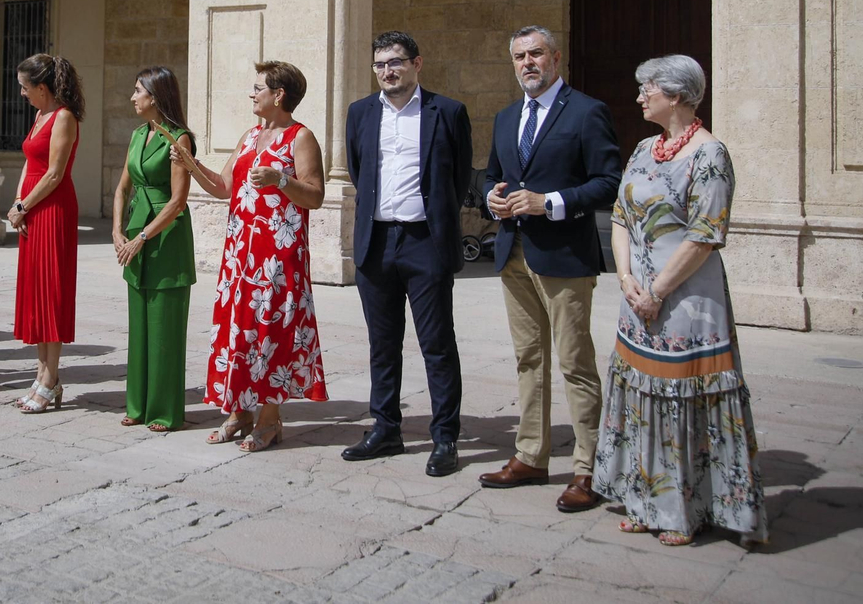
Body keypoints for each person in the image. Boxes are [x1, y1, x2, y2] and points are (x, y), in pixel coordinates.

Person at [593, 55, 766, 547]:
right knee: (643, 396)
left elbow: (705, 235)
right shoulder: (644, 148)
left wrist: (657, 291)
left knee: (682, 399)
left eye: (647, 88)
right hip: (638, 297)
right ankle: (644, 499)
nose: (639, 96)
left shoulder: (710, 155)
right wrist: (626, 277)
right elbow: (621, 215)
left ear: (675, 95)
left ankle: (682, 510)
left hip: (686, 301)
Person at [480, 26, 621, 512]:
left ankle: (589, 468)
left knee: (574, 362)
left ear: (555, 58)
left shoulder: (586, 111)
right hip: (513, 252)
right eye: (520, 56)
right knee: (529, 359)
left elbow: (609, 181)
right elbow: (493, 176)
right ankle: (530, 456)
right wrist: (492, 199)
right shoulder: (506, 117)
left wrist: (551, 202)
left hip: (563, 256)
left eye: (536, 54)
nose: (528, 63)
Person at [174, 60, 327, 453]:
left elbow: (315, 196)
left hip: (277, 255)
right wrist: (190, 164)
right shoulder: (249, 136)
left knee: (271, 331)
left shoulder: (300, 137)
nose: (251, 94)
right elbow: (224, 187)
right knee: (239, 328)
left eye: (258, 88)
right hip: (240, 254)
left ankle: (269, 419)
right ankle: (239, 411)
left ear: (279, 95)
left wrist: (281, 179)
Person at [342, 31, 473, 477]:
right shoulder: (360, 112)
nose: (387, 71)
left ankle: (445, 437)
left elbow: (457, 178)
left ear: (417, 64)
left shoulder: (448, 111)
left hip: (425, 242)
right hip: (376, 242)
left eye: (395, 62)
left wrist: (434, 222)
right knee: (382, 344)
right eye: (380, 64)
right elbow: (359, 171)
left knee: (437, 343)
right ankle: (386, 428)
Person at [110, 67, 195, 432]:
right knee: (139, 326)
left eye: (138, 91)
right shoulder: (137, 135)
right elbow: (122, 188)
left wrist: (142, 237)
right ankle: (138, 405)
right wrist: (117, 230)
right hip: (135, 235)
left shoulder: (179, 138)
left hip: (166, 238)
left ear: (155, 97)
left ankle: (164, 411)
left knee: (164, 328)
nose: (133, 97)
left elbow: (177, 201)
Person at [6, 53, 84, 414]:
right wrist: (18, 202)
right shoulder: (39, 115)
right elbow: (29, 162)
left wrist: (24, 206)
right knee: (37, 293)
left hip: (53, 210)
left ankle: (51, 379)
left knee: (51, 293)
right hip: (34, 208)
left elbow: (54, 174)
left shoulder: (64, 117)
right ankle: (41, 375)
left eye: (25, 87)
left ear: (42, 87)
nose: (22, 93)